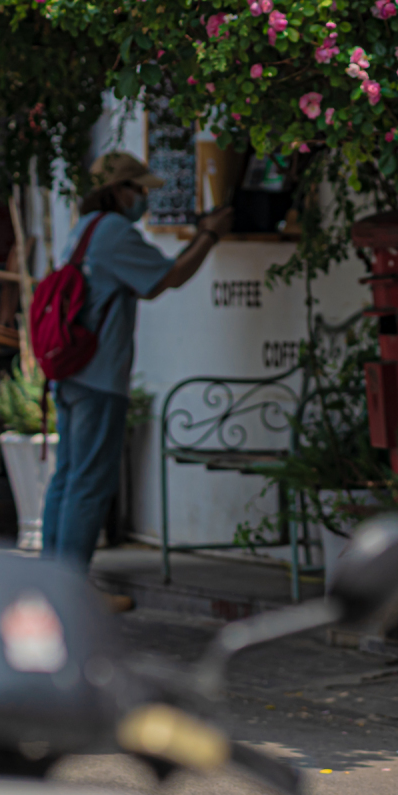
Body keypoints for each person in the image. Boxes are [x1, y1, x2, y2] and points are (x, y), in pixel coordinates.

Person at [39, 151, 232, 570]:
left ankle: (50, 580)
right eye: (139, 189)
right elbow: (167, 278)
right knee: (90, 483)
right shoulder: (113, 231)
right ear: (119, 191)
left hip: (70, 373)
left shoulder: (84, 228)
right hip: (98, 377)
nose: (144, 198)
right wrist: (209, 236)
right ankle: (68, 585)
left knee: (68, 477)